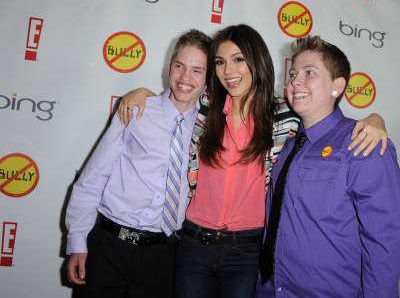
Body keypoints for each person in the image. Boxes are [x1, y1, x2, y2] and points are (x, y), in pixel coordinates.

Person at [117, 25, 388, 298]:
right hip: (194, 245)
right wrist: (141, 92)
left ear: (256, 61)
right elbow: (176, 95)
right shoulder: (205, 108)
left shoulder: (284, 116)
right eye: (220, 62)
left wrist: (375, 120)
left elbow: (325, 116)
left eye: (238, 60)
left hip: (246, 252)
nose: (228, 71)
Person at [65, 29, 211, 298]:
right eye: (179, 66)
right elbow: (93, 178)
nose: (185, 78)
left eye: (197, 71)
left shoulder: (211, 129)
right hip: (108, 246)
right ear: (169, 67)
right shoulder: (135, 110)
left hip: (163, 256)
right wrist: (78, 243)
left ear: (208, 77)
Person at [256, 36, 400, 297]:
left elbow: (385, 242)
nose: (295, 81)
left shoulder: (363, 143)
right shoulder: (288, 144)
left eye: (309, 72)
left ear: (337, 86)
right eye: (293, 73)